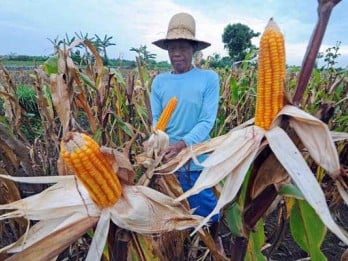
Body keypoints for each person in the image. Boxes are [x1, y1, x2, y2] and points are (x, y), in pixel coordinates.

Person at [150, 12, 222, 243]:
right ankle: (182, 247)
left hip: (196, 156)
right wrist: (159, 144)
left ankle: (212, 246)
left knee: (205, 209)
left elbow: (206, 121)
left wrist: (182, 145)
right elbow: (156, 119)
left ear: (194, 50)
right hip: (167, 158)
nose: (177, 53)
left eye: (182, 47)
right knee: (173, 212)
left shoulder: (209, 79)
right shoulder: (159, 82)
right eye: (172, 48)